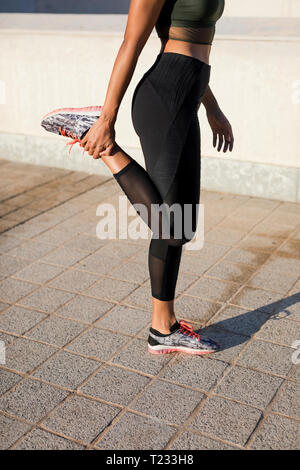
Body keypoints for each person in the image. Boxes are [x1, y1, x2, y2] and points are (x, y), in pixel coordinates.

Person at [49, 0, 234, 355]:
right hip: (163, 100)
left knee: (181, 226)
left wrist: (212, 107)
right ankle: (103, 144)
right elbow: (131, 42)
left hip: (186, 99)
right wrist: (107, 119)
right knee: (173, 227)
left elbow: (197, 49)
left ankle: (163, 328)